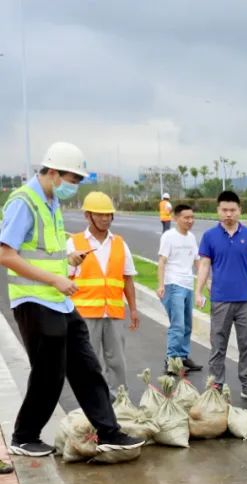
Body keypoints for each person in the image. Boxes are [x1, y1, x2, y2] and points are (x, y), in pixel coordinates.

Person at [0, 142, 143, 457]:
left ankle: (109, 432)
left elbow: (42, 253)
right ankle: (24, 436)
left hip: (59, 301)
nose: (74, 186)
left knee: (87, 367)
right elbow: (6, 254)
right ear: (53, 172)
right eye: (72, 179)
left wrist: (68, 261)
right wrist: (55, 279)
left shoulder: (51, 201)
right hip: (34, 300)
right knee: (49, 373)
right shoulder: (24, 201)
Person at [195, 190, 247, 401]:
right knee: (218, 345)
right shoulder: (210, 236)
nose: (228, 214)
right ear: (218, 210)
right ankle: (216, 385)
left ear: (239, 211)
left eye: (232, 210)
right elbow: (204, 265)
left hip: (245, 300)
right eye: (224, 210)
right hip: (221, 300)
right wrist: (198, 291)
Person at [67, 192, 138, 395]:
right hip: (85, 314)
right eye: (100, 214)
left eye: (108, 214)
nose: (106, 219)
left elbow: (127, 279)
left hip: (113, 313)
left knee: (117, 361)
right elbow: (64, 279)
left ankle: (119, 400)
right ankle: (93, 401)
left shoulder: (120, 243)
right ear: (87, 216)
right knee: (89, 361)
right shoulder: (74, 243)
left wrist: (133, 309)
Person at [157, 204, 202, 374]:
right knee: (178, 325)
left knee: (187, 325)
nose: (190, 221)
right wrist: (161, 285)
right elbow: (162, 261)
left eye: (192, 217)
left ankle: (182, 357)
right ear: (176, 218)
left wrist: (206, 281)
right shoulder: (169, 236)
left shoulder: (191, 237)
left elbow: (197, 261)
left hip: (187, 284)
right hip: (173, 284)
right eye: (186, 217)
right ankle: (171, 360)